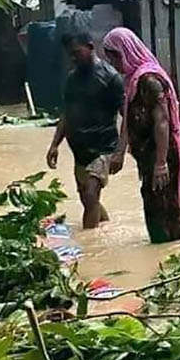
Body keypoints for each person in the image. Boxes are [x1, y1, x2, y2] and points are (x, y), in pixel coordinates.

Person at [101, 27, 180, 244]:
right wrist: (120, 152)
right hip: (148, 154)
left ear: (123, 53)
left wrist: (161, 163)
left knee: (163, 201)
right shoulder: (134, 81)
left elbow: (162, 122)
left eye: (113, 58)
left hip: (162, 152)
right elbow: (129, 117)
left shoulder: (149, 80)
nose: (113, 64)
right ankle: (174, 245)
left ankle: (169, 248)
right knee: (156, 199)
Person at [45, 31, 125, 229]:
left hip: (102, 147)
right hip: (80, 151)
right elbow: (67, 115)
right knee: (87, 199)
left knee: (90, 194)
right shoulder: (72, 79)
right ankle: (105, 230)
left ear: (90, 47)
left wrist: (120, 152)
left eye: (76, 53)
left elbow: (127, 116)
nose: (73, 58)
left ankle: (90, 250)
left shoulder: (111, 78)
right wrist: (55, 145)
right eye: (70, 55)